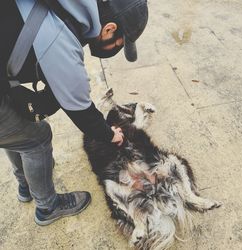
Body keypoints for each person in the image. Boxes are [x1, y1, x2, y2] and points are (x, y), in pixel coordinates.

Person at [0, 0, 148, 226]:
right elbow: (81, 110)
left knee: (19, 132)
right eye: (119, 43)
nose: (116, 47)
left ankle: (25, 184)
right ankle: (47, 206)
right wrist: (110, 134)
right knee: (37, 140)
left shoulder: (68, 7)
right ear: (108, 29)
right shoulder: (59, 37)